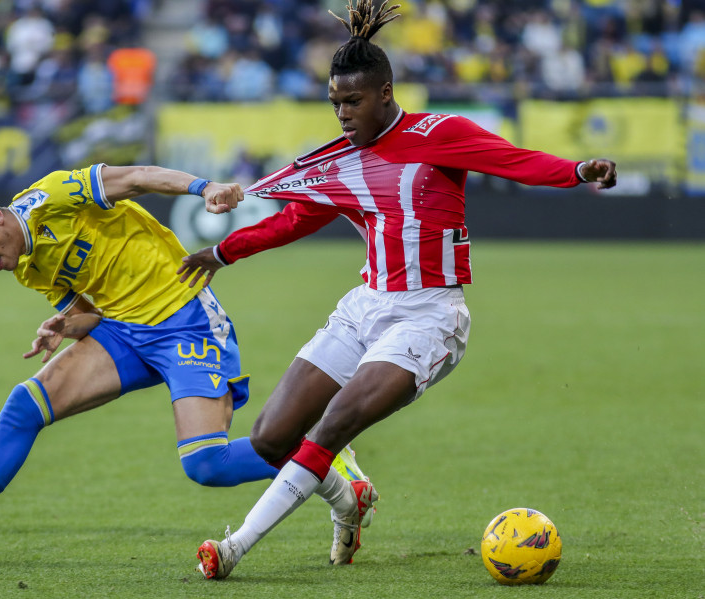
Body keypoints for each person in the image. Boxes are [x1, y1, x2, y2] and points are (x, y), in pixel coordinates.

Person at [181, 0, 617, 579]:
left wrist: (576, 171)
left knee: (332, 426)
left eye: (352, 102)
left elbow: (514, 161)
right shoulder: (342, 161)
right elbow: (295, 219)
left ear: (385, 93)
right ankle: (348, 498)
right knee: (269, 437)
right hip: (364, 307)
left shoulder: (440, 134)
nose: (341, 113)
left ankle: (233, 548)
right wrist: (222, 251)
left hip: (428, 316)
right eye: (335, 102)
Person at [0, 163, 367, 564]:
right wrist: (63, 327)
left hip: (184, 322)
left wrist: (203, 187)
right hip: (125, 333)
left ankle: (319, 453)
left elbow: (134, 178)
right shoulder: (27, 267)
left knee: (206, 465)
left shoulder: (54, 195)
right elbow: (86, 313)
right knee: (25, 404)